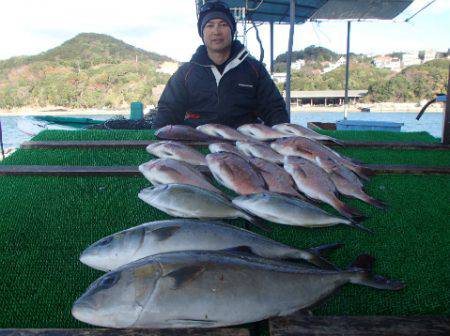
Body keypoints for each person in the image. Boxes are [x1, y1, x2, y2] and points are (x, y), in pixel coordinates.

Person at [152, 0, 289, 129]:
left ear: (232, 31)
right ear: (202, 33)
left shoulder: (255, 69)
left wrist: (282, 140)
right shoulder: (186, 73)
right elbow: (167, 112)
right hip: (197, 146)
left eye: (223, 24)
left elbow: (275, 110)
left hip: (244, 146)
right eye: (210, 25)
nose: (216, 31)